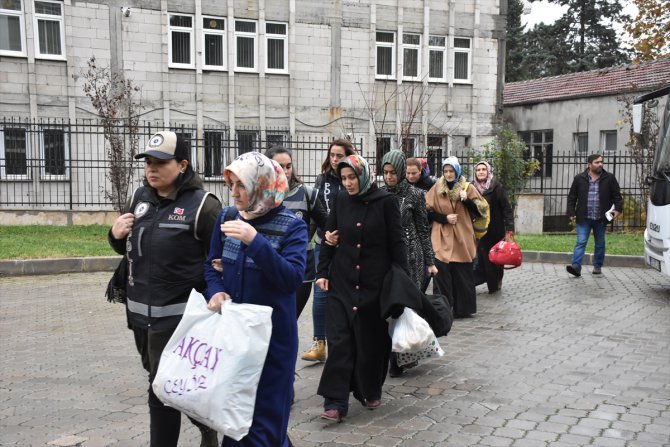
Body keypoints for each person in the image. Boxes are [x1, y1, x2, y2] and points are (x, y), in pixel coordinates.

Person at [107, 131, 221, 447]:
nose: (151, 169)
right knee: (168, 384)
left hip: (180, 320)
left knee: (161, 388)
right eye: (148, 163)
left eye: (160, 162)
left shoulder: (204, 207)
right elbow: (131, 248)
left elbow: (220, 260)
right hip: (140, 316)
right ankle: (207, 426)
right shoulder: (139, 199)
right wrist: (115, 236)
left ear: (183, 165)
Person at [204, 151, 307, 446]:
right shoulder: (226, 217)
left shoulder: (292, 226)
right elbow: (210, 266)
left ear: (262, 186)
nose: (234, 193)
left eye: (242, 186)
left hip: (273, 343)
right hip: (235, 340)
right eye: (231, 184)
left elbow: (291, 279)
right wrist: (216, 291)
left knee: (266, 424)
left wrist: (255, 241)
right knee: (236, 424)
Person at [315, 154, 408, 422]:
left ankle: (369, 388)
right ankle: (335, 402)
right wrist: (322, 270)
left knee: (371, 343)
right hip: (342, 282)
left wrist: (401, 280)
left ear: (363, 175)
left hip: (374, 286)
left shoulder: (386, 202)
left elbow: (397, 242)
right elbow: (328, 237)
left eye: (352, 177)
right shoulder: (341, 200)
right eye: (343, 178)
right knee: (340, 341)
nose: (348, 183)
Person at [380, 150, 438, 377]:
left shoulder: (415, 195)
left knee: (406, 306)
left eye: (393, 172)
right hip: (386, 257)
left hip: (411, 257)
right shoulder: (380, 194)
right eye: (385, 173)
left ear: (402, 172)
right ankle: (391, 353)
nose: (389, 177)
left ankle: (402, 357)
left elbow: (423, 230)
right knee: (389, 306)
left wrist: (430, 261)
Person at [300, 138, 356, 363]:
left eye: (339, 156)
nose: (334, 160)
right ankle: (319, 342)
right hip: (325, 243)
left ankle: (347, 340)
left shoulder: (353, 178)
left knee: (347, 292)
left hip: (350, 245)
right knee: (321, 292)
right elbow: (317, 211)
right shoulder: (322, 180)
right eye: (332, 155)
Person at [265, 146, 328, 318]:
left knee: (289, 322)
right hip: (270, 271)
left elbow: (328, 227)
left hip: (301, 273)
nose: (285, 171)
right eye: (280, 166)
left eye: (288, 166)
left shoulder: (307, 194)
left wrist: (325, 264)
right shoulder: (261, 197)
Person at [425, 156, 488, 318]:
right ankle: (444, 308)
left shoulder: (468, 188)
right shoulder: (437, 188)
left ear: (457, 171)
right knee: (441, 270)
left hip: (462, 235)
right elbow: (427, 211)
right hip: (441, 235)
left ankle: (463, 309)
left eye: (451, 171)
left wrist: (466, 200)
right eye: (445, 171)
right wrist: (444, 218)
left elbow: (480, 211)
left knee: (463, 272)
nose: (448, 174)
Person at [566, 153, 623, 276]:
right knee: (581, 241)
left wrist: (617, 210)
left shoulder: (609, 178)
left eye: (601, 162)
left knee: (600, 243)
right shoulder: (579, 178)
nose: (600, 164)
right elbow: (572, 197)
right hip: (584, 217)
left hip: (601, 218)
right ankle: (576, 267)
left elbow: (617, 197)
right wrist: (571, 212)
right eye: (597, 162)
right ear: (589, 164)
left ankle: (597, 266)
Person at [472, 161, 515, 294]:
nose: (480, 172)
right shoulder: (471, 188)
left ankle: (495, 283)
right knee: (481, 258)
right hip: (478, 231)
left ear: (488, 171)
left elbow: (506, 209)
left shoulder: (497, 188)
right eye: (478, 169)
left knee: (496, 259)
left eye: (483, 169)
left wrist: (510, 228)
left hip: (494, 231)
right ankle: (480, 281)